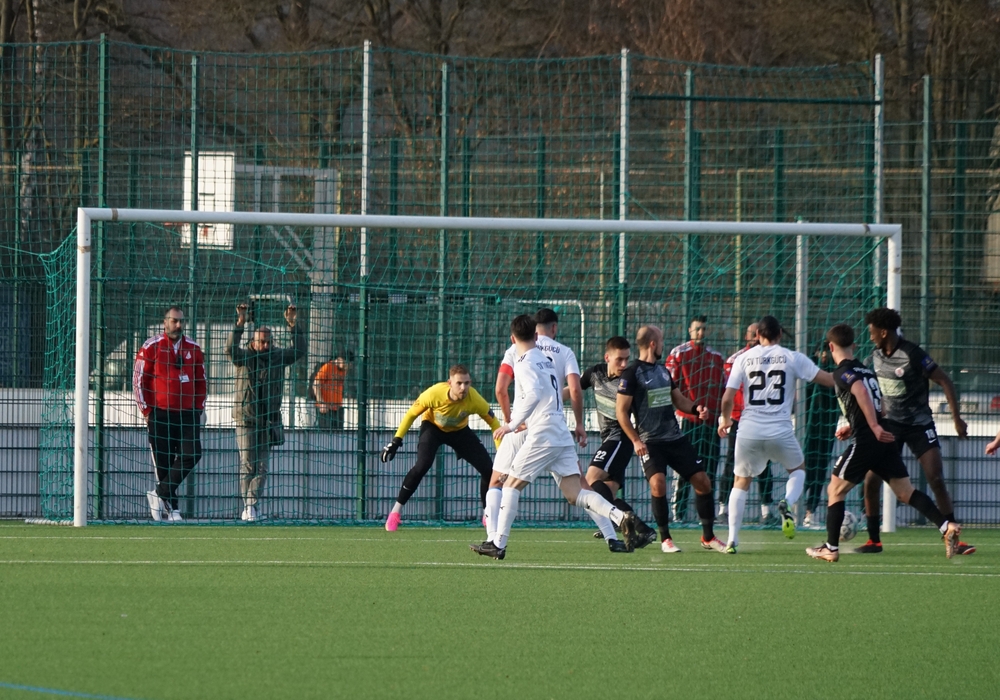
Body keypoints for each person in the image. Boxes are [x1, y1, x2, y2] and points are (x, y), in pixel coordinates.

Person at [471, 315, 639, 560]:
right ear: (536, 336)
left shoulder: (524, 362)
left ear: (513, 339)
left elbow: (532, 393)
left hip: (542, 432)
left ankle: (498, 543)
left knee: (509, 485)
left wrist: (511, 424)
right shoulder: (545, 360)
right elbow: (565, 390)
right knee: (575, 493)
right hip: (560, 431)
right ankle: (620, 516)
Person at [806, 324, 961, 562]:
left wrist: (871, 426)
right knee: (905, 492)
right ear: (854, 346)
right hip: (884, 436)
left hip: (868, 439)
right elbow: (881, 405)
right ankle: (946, 526)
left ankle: (831, 548)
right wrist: (857, 424)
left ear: (830, 347)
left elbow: (860, 392)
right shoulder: (866, 370)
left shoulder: (843, 371)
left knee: (834, 490)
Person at [855, 307, 975, 555]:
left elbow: (945, 380)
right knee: (871, 480)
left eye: (872, 331)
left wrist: (957, 418)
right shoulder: (874, 357)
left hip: (919, 425)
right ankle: (874, 540)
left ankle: (953, 536)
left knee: (936, 478)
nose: (870, 336)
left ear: (884, 332)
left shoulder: (913, 354)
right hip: (890, 426)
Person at [717, 315, 835, 553]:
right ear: (780, 334)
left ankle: (732, 540)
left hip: (749, 429)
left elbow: (728, 397)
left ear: (757, 335)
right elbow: (828, 380)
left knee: (741, 482)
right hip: (780, 429)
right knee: (798, 470)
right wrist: (851, 375)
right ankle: (787, 502)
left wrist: (725, 419)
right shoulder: (792, 357)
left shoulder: (743, 358)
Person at [616, 324, 727, 554]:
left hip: (674, 438)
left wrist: (696, 408)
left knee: (703, 481)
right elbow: (621, 412)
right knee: (658, 483)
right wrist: (636, 440)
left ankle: (708, 537)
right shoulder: (632, 373)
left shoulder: (663, 371)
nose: (663, 344)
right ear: (653, 344)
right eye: (661, 340)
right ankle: (666, 539)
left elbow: (679, 400)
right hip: (650, 441)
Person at [382, 364, 501, 531]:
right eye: (459, 383)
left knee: (489, 470)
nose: (463, 388)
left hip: (459, 432)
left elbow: (495, 424)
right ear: (449, 383)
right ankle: (395, 513)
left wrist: (501, 453)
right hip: (433, 428)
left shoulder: (475, 399)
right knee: (422, 465)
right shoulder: (433, 394)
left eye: (467, 383)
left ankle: (487, 514)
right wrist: (396, 441)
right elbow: (411, 415)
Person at [226, 302, 306, 522]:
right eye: (262, 341)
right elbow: (230, 350)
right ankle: (248, 506)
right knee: (247, 464)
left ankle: (251, 505)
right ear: (253, 341)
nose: (266, 345)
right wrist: (240, 324)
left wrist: (293, 325)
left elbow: (299, 351)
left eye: (269, 342)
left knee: (262, 467)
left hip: (268, 420)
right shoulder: (245, 357)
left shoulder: (278, 356)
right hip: (246, 418)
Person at [578, 336, 657, 547]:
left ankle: (620, 520)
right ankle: (644, 531)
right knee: (607, 496)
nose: (623, 364)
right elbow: (574, 389)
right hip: (611, 441)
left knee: (590, 481)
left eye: (626, 359)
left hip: (619, 439)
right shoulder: (595, 373)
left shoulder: (629, 380)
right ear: (607, 358)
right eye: (619, 359)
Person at [133, 305, 206, 522]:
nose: (179, 325)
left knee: (192, 454)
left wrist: (198, 407)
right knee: (163, 463)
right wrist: (146, 410)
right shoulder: (151, 346)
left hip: (187, 414)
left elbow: (201, 381)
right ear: (165, 323)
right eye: (174, 321)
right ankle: (172, 509)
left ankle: (158, 493)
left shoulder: (193, 347)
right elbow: (138, 380)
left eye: (181, 321)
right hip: (160, 414)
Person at [665, 315, 725, 522]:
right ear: (689, 330)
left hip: (710, 422)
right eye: (697, 329)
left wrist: (719, 415)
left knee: (710, 470)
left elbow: (722, 390)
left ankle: (706, 515)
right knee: (683, 469)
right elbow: (670, 387)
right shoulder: (678, 354)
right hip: (687, 420)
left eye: (704, 329)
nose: (701, 333)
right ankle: (678, 514)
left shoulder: (716, 358)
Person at [719, 323, 775, 523]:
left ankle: (766, 511)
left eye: (759, 334)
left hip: (762, 419)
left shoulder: (772, 359)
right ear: (747, 336)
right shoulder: (735, 360)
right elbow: (729, 392)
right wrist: (726, 418)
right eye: (753, 334)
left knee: (764, 464)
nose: (756, 338)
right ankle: (723, 509)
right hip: (739, 420)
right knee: (733, 463)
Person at [802, 340, 839, 528]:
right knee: (806, 469)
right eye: (820, 351)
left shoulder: (834, 375)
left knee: (820, 470)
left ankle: (811, 511)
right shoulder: (809, 373)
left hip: (827, 429)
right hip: (808, 430)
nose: (824, 355)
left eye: (826, 351)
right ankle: (796, 506)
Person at [313, 351, 351, 430]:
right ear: (340, 359)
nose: (347, 366)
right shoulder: (327, 367)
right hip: (325, 408)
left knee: (338, 433)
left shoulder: (343, 370)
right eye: (346, 363)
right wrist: (321, 403)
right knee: (325, 434)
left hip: (337, 408)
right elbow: (316, 385)